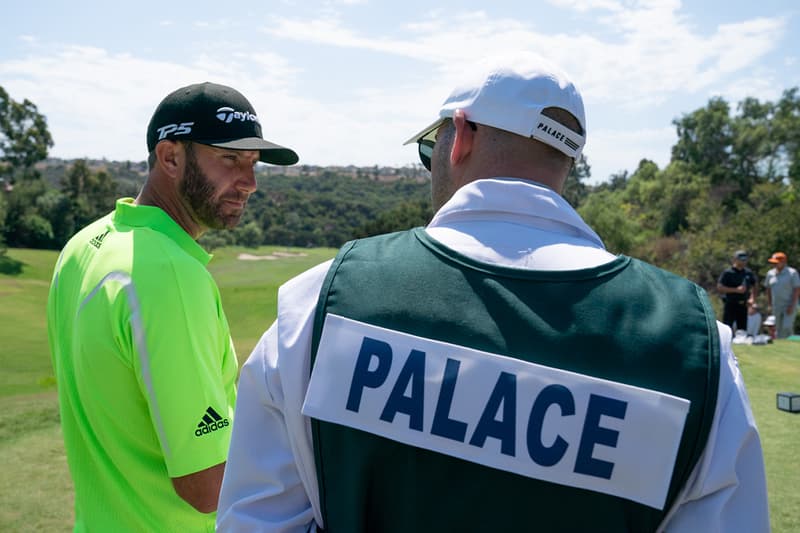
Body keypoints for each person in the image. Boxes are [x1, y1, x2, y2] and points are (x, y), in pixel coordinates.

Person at [217, 61, 769, 532]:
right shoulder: (697, 343)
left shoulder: (319, 300)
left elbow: (255, 518)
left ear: (461, 135)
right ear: (566, 162)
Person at [47, 82, 298, 531]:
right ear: (170, 157)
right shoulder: (170, 275)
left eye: (253, 164)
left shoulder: (83, 246)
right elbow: (206, 485)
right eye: (229, 159)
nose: (250, 183)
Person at [716, 250, 757, 333]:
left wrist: (752, 298)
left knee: (742, 330)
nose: (743, 262)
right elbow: (720, 287)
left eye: (745, 260)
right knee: (727, 328)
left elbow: (755, 285)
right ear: (735, 259)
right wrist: (736, 290)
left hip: (743, 304)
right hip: (730, 303)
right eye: (741, 259)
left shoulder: (748, 273)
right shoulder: (728, 273)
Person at [764, 251, 800, 338]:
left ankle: (788, 344)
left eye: (776, 262)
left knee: (786, 327)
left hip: (789, 304)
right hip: (776, 305)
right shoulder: (770, 273)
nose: (774, 265)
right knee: (778, 328)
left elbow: (797, 290)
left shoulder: (792, 273)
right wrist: (769, 304)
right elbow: (768, 289)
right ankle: (781, 345)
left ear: (783, 262)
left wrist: (792, 305)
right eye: (773, 263)